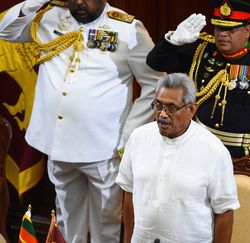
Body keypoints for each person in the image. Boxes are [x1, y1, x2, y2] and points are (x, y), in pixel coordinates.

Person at [0, 0, 164, 242]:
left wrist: (129, 134)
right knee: (66, 220)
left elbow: (156, 82)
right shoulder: (51, 17)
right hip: (58, 145)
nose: (78, 2)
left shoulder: (127, 28)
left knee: (105, 225)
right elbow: (7, 31)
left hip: (104, 148)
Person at [146, 0, 250, 160]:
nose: (222, 34)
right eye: (219, 28)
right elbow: (155, 62)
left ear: (247, 31)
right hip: (197, 148)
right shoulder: (200, 51)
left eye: (230, 29)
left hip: (242, 155)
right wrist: (173, 40)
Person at [115, 73, 240, 243]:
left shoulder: (214, 151)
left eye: (171, 108)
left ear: (191, 109)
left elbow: (225, 212)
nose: (163, 114)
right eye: (158, 105)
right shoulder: (138, 137)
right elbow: (129, 193)